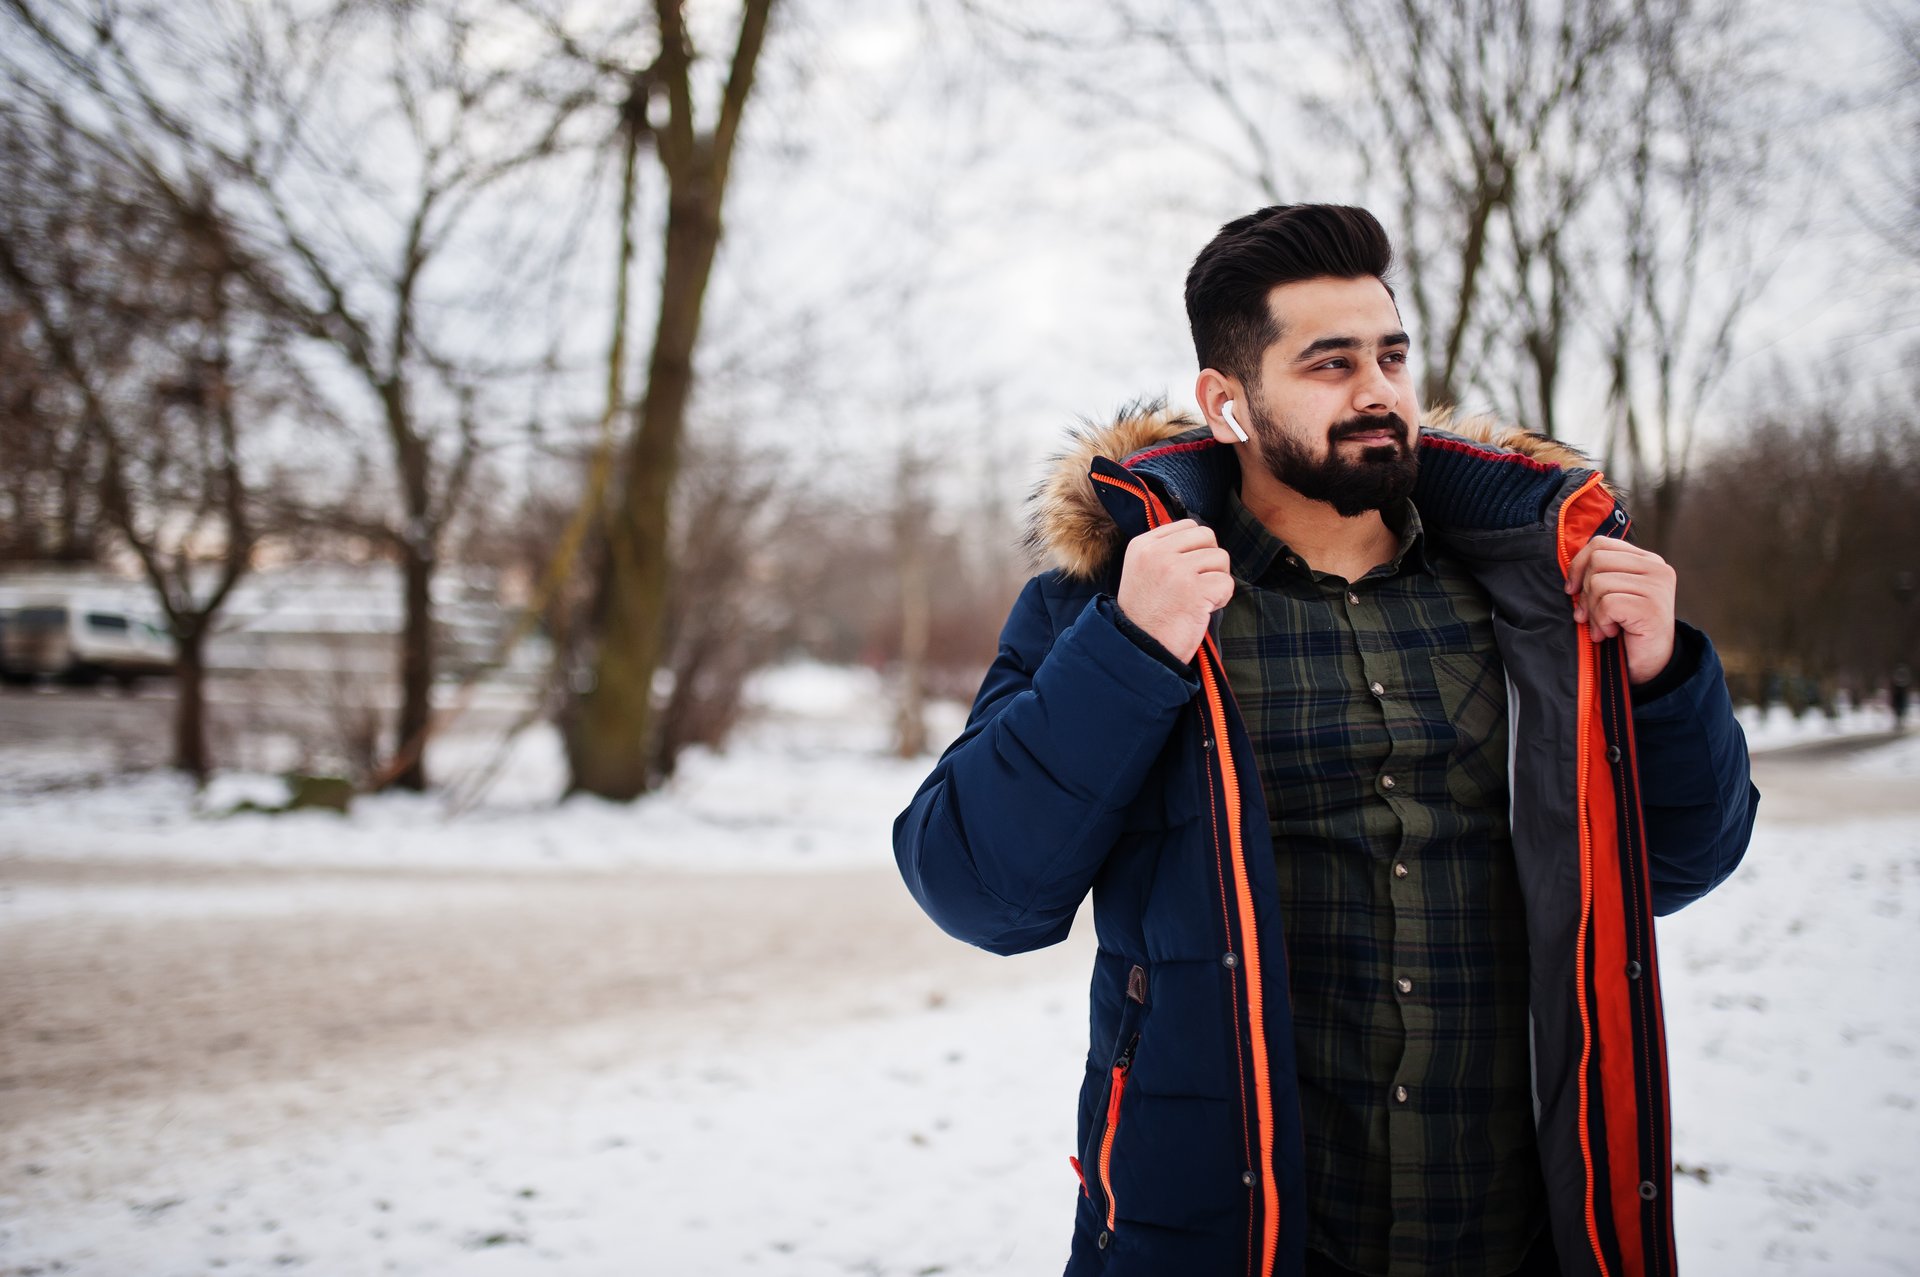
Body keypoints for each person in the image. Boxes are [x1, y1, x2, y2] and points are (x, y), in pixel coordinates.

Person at [893, 205, 1758, 1277]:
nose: (1377, 390)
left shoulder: (1538, 595)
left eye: (1392, 356)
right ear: (1228, 402)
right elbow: (977, 890)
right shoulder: (1111, 604)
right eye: (1330, 363)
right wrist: (1129, 646)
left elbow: (1679, 863)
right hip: (1230, 1238)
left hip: (1514, 1232)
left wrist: (1663, 680)